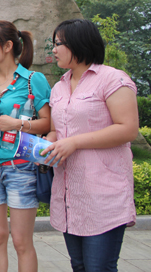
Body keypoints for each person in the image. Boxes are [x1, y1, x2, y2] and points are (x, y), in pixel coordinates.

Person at [41, 19, 139, 272]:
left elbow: (127, 128)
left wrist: (74, 142)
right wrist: (48, 142)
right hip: (69, 195)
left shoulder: (112, 79)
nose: (53, 50)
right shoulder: (59, 86)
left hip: (103, 195)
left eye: (58, 44)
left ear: (79, 43)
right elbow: (56, 130)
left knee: (99, 268)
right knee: (80, 266)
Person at [0, 21, 51, 272]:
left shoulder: (32, 80)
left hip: (21, 168)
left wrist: (17, 123)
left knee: (21, 241)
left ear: (8, 46)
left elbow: (48, 123)